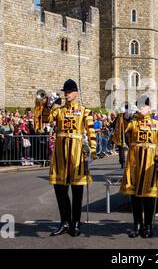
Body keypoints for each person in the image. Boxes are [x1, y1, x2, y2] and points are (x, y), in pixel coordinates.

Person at [49, 79, 97, 237]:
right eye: (65, 92)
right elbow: (45, 121)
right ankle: (64, 221)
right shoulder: (59, 110)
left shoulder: (84, 111)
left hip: (76, 152)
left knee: (77, 190)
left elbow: (91, 132)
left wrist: (93, 151)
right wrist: (45, 105)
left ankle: (75, 222)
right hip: (60, 152)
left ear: (76, 93)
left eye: (69, 92)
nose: (67, 94)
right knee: (60, 189)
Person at [120, 96, 158, 238]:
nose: (140, 109)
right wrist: (126, 115)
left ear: (149, 108)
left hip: (150, 162)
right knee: (134, 196)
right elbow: (120, 131)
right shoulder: (133, 123)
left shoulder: (156, 124)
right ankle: (137, 224)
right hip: (134, 162)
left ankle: (148, 225)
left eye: (143, 106)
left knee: (149, 196)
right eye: (138, 106)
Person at [112, 103, 132, 169]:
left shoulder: (120, 116)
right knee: (132, 147)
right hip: (128, 134)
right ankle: (132, 161)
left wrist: (111, 126)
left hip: (121, 134)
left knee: (121, 149)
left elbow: (113, 124)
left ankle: (122, 163)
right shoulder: (130, 115)